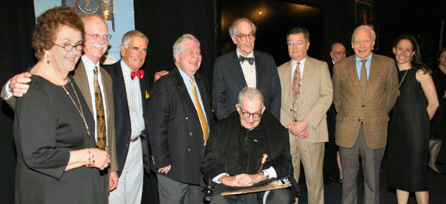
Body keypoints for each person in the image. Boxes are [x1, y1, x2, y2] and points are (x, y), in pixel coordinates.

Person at [2, 13, 119, 202]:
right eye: (66, 44)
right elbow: (37, 156)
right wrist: (89, 156)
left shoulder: (68, 81)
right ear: (46, 45)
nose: (73, 51)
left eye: (77, 44)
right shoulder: (35, 90)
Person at [332, 25, 399, 204]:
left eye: (366, 40)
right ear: (352, 44)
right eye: (358, 41)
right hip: (347, 130)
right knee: (348, 180)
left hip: (375, 129)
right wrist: (351, 114)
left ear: (373, 43)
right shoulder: (340, 67)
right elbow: (337, 99)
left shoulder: (387, 64)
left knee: (372, 181)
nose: (362, 45)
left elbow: (392, 95)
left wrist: (376, 113)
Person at [147, 34, 215, 203]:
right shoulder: (165, 85)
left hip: (200, 163)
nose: (196, 56)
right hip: (174, 167)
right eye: (190, 51)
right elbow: (155, 126)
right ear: (176, 57)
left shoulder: (201, 81)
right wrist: (162, 160)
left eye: (198, 52)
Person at [201, 87, 293, 204]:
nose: (251, 119)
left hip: (264, 184)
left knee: (281, 197)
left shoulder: (277, 130)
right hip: (230, 184)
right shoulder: (220, 129)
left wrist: (260, 176)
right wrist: (227, 179)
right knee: (218, 200)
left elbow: (286, 162)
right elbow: (208, 162)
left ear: (263, 110)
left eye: (256, 114)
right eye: (246, 113)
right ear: (238, 108)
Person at [277, 27, 333, 204]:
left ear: (307, 45)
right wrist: (292, 125)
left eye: (298, 43)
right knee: (289, 181)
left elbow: (327, 96)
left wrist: (305, 122)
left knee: (314, 182)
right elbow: (274, 101)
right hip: (288, 133)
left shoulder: (320, 67)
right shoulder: (279, 70)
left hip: (312, 132)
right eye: (290, 43)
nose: (294, 47)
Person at [104, 30, 155, 204]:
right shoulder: (108, 76)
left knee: (134, 199)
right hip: (116, 150)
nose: (141, 54)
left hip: (137, 148)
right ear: (123, 50)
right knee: (115, 199)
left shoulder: (143, 78)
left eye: (144, 50)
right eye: (136, 48)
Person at [387, 34, 438, 204]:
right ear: (394, 50)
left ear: (413, 53)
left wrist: (421, 125)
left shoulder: (420, 72)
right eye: (400, 48)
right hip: (397, 133)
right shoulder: (392, 74)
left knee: (417, 180)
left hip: (416, 135)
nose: (403, 52)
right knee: (400, 177)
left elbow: (434, 103)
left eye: (407, 50)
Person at [212, 18, 281, 120]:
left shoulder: (268, 60)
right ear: (234, 39)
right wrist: (229, 127)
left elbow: (276, 95)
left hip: (264, 127)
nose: (248, 40)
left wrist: (272, 124)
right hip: (235, 128)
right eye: (243, 36)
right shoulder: (222, 64)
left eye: (251, 34)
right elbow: (218, 100)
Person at [324, 42, 347, 184]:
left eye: (343, 53)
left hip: (346, 113)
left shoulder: (350, 67)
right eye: (338, 53)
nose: (341, 56)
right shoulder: (325, 68)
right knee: (331, 146)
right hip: (329, 114)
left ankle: (344, 174)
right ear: (332, 55)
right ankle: (332, 174)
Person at [429, 47, 446, 174]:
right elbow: (439, 93)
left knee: (441, 137)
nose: (445, 59)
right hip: (438, 107)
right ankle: (419, 158)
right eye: (443, 56)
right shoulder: (434, 73)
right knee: (434, 137)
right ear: (438, 58)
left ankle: (432, 162)